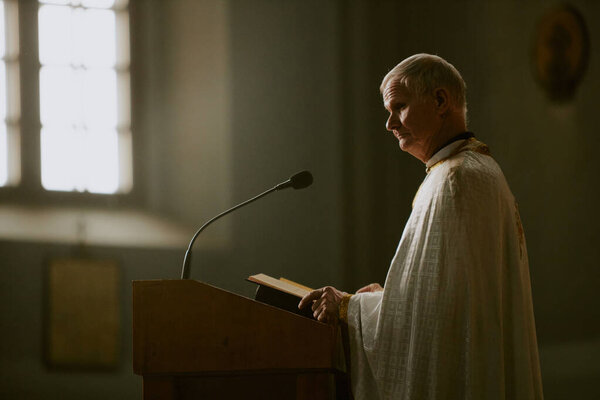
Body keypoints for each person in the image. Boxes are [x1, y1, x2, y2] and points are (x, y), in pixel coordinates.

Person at [298, 54, 543, 399]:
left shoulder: (454, 179)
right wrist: (386, 299)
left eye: (399, 106)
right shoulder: (477, 169)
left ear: (441, 101)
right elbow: (449, 304)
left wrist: (346, 307)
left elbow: (431, 327)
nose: (389, 124)